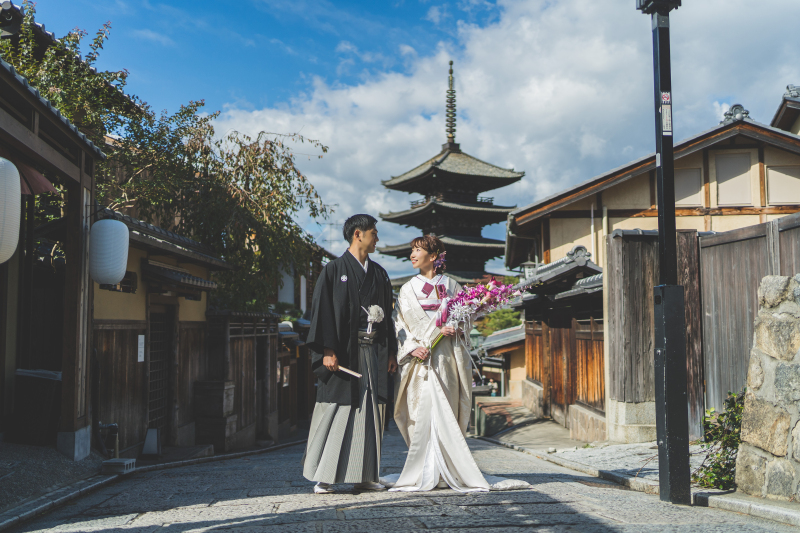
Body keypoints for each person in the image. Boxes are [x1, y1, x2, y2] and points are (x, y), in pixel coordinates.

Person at [383, 235, 529, 493]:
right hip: (419, 359)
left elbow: (467, 319)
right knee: (419, 414)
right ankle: (424, 469)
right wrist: (411, 347)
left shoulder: (452, 285)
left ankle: (447, 468)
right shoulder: (407, 289)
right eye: (412, 251)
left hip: (445, 358)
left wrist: (457, 327)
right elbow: (399, 324)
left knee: (445, 411)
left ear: (434, 256)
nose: (412, 255)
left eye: (418, 250)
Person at [302, 214, 398, 494]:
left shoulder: (379, 273)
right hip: (343, 354)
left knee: (370, 411)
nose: (377, 238)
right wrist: (328, 350)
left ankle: (366, 475)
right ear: (358, 234)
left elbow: (388, 317)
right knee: (337, 409)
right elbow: (322, 312)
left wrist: (391, 352)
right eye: (374, 232)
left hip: (373, 353)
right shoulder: (333, 270)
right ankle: (326, 477)